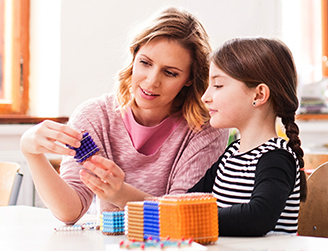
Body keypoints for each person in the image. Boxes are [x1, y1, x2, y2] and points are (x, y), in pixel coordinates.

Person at [20, 7, 229, 224]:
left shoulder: (206, 128)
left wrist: (120, 194)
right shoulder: (94, 117)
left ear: (189, 78)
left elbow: (183, 215)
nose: (151, 81)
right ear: (134, 56)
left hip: (176, 250)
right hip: (109, 248)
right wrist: (31, 152)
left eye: (170, 73)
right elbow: (69, 212)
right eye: (145, 63)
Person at [188, 37, 307, 237]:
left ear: (259, 95)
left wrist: (195, 219)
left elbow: (258, 217)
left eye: (217, 85)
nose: (205, 96)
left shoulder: (277, 157)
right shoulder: (232, 153)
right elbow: (189, 200)